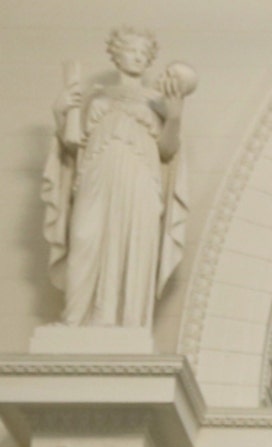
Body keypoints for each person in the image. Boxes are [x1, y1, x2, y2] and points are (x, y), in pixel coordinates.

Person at [43, 28, 191, 327]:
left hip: (141, 178)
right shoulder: (94, 97)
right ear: (116, 53)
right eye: (131, 50)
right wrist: (60, 112)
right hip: (96, 174)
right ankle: (75, 319)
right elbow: (72, 144)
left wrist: (174, 116)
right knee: (85, 236)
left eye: (143, 53)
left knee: (135, 241)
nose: (137, 57)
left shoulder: (157, 102)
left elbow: (168, 150)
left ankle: (126, 321)